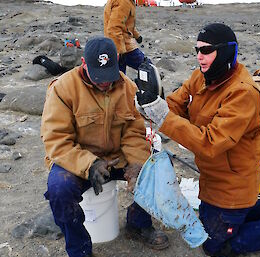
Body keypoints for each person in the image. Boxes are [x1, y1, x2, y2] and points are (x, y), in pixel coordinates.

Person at [136, 23, 260, 257]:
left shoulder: (242, 92)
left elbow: (210, 143)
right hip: (213, 179)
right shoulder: (202, 76)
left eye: (207, 51)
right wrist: (149, 106)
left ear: (224, 52)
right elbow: (175, 104)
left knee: (214, 246)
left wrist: (162, 117)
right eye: (197, 50)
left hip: (232, 184)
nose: (200, 57)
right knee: (214, 221)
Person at [41, 36, 169, 257]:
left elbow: (134, 132)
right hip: (78, 159)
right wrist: (90, 165)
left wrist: (138, 163)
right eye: (98, 77)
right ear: (84, 63)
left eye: (108, 76)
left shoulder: (127, 87)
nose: (104, 83)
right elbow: (57, 140)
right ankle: (79, 248)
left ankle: (138, 224)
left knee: (155, 168)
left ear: (117, 61)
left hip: (116, 156)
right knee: (59, 189)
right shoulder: (62, 89)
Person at [104, 0, 146, 74]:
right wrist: (119, 50)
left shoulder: (127, 2)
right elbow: (114, 28)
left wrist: (137, 36)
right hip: (123, 46)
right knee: (147, 67)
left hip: (117, 45)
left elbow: (126, 24)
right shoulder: (123, 2)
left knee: (119, 76)